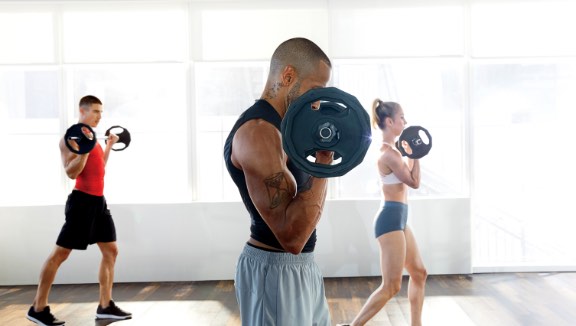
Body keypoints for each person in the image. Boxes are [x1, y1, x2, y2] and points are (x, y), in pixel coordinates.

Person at [223, 37, 333, 325]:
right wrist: (324, 162)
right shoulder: (258, 133)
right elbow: (292, 236)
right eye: (315, 90)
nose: (317, 101)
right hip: (275, 270)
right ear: (288, 76)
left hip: (302, 267)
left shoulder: (287, 130)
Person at [26, 95, 132, 326]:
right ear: (82, 111)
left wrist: (109, 146)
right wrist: (83, 150)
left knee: (111, 251)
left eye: (101, 112)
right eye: (95, 111)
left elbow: (100, 168)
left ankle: (105, 306)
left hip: (98, 202)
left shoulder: (92, 139)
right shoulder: (71, 139)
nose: (99, 116)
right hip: (81, 203)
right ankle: (38, 307)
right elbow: (71, 172)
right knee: (60, 255)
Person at [338, 100, 428, 326]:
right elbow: (415, 182)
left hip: (399, 218)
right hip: (390, 219)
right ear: (389, 121)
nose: (405, 122)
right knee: (391, 286)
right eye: (402, 118)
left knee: (419, 272)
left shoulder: (395, 152)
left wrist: (411, 153)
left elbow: (410, 179)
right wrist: (415, 153)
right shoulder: (390, 154)